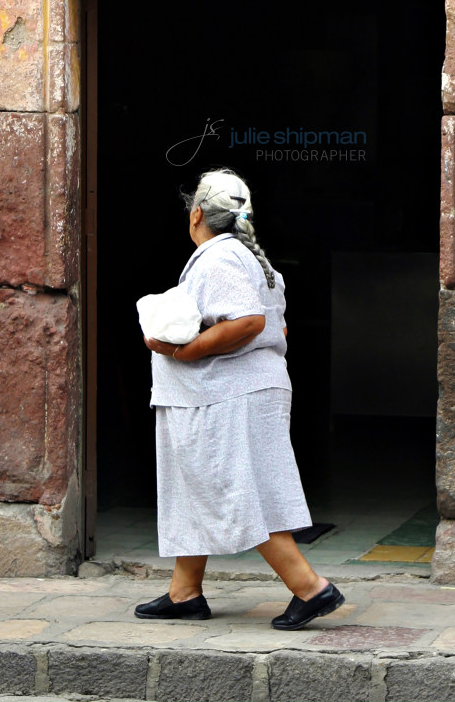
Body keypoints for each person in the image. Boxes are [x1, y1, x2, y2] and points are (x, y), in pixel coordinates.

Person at [135, 168, 344, 631]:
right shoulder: (251, 259)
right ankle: (184, 592)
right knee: (200, 486)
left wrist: (184, 350)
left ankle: (310, 587)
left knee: (239, 490)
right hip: (237, 391)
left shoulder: (220, 259)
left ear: (196, 216)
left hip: (227, 394)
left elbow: (248, 321)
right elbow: (278, 328)